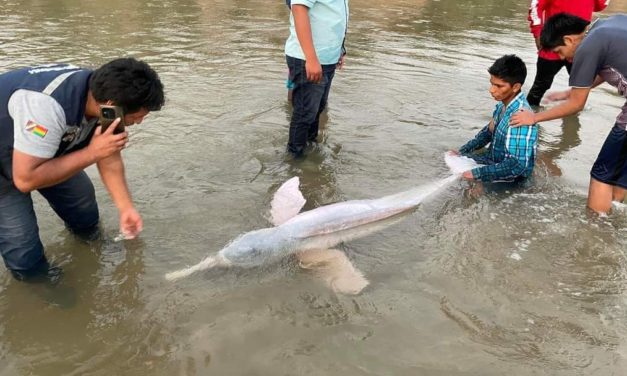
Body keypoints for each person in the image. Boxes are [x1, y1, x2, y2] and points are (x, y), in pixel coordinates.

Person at [0, 58, 165, 281]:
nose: (140, 121)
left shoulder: (109, 102)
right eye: (137, 116)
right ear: (110, 104)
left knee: (82, 202)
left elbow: (108, 156)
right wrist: (91, 153)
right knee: (22, 245)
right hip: (8, 162)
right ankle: (39, 284)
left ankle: (89, 239)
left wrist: (126, 209)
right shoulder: (45, 105)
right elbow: (25, 180)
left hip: (42, 150)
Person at [511, 13, 627, 214]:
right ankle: (615, 211)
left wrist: (533, 118)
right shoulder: (606, 25)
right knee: (618, 170)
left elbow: (576, 105)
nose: (563, 58)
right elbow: (611, 66)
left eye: (560, 51)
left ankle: (594, 231)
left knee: (601, 175)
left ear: (569, 39)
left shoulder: (587, 47)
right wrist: (575, 90)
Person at [449, 55, 538, 188]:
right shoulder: (503, 105)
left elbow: (517, 166)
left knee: (469, 189)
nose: (492, 90)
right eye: (492, 83)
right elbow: (487, 133)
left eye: (498, 86)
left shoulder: (520, 117)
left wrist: (477, 174)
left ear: (515, 87)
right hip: (492, 161)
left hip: (511, 178)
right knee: (446, 162)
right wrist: (462, 151)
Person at [284, 0, 348, 158]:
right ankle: (295, 159)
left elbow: (334, 15)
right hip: (309, 58)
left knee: (317, 109)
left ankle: (310, 151)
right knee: (305, 113)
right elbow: (298, 9)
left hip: (327, 58)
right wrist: (311, 59)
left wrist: (340, 49)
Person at [526, 0, 609, 107]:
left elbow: (600, 5)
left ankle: (570, 115)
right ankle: (525, 116)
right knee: (540, 87)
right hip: (554, 45)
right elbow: (535, 6)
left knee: (581, 87)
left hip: (579, 47)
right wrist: (538, 33)